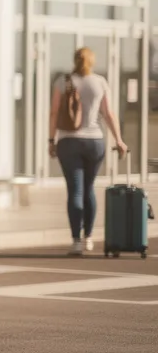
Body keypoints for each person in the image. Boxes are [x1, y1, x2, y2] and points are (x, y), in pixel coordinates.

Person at [49, 47, 126, 256]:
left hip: (68, 142)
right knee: (89, 189)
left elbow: (54, 112)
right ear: (92, 61)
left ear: (74, 60)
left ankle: (76, 242)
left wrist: (51, 140)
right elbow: (109, 113)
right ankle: (89, 237)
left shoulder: (62, 81)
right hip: (94, 142)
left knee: (74, 190)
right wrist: (119, 140)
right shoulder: (100, 82)